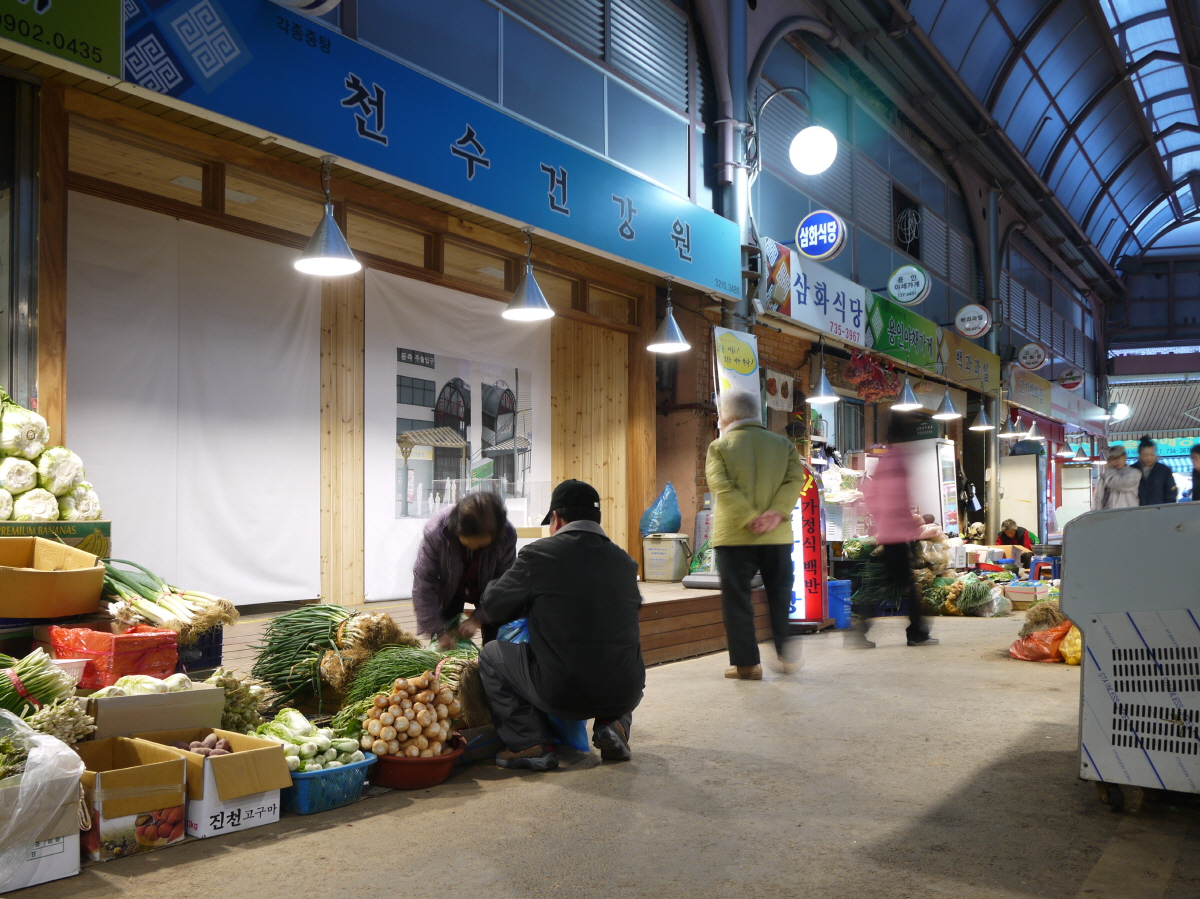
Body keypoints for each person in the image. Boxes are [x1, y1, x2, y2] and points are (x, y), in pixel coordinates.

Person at [476, 479, 644, 771]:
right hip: (626, 691)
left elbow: (493, 606)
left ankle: (530, 743)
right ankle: (613, 723)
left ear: (557, 518)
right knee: (621, 653)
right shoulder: (625, 563)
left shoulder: (539, 555)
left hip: (563, 693)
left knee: (491, 654)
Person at [705, 388, 805, 680]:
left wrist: (748, 518)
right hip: (777, 534)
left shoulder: (720, 446)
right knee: (780, 594)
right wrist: (776, 512)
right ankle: (787, 655)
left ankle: (747, 664)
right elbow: (794, 479)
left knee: (737, 599)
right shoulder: (784, 445)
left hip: (734, 536)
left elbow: (721, 486)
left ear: (729, 415)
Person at [855, 445, 937, 649]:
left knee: (887, 585)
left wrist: (881, 521)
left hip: (887, 535)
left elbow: (871, 497)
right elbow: (901, 501)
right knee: (906, 584)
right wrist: (909, 527)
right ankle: (916, 633)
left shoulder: (882, 467)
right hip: (898, 538)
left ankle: (861, 629)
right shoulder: (898, 464)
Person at [412, 491, 517, 649]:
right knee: (445, 642)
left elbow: (504, 583)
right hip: (450, 589)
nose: (474, 548)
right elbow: (423, 583)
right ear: (456, 528)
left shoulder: (506, 534)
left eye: (482, 547)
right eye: (468, 544)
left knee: (495, 644)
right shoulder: (437, 531)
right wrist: (439, 632)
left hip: (488, 589)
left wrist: (477, 618)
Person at [1133, 435, 1178, 506]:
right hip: (1137, 511)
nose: (1149, 458)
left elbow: (1171, 493)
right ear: (1139, 454)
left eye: (1152, 455)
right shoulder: (1132, 470)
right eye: (1145, 455)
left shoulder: (1164, 470)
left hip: (1159, 512)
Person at [1096, 444, 1140, 510]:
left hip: (1128, 516)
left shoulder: (1134, 473)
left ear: (1125, 457)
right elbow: (1097, 499)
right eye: (1113, 458)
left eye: (1119, 457)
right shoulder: (1104, 477)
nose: (1116, 461)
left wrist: (1109, 469)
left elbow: (1118, 484)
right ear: (1109, 460)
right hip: (1108, 516)